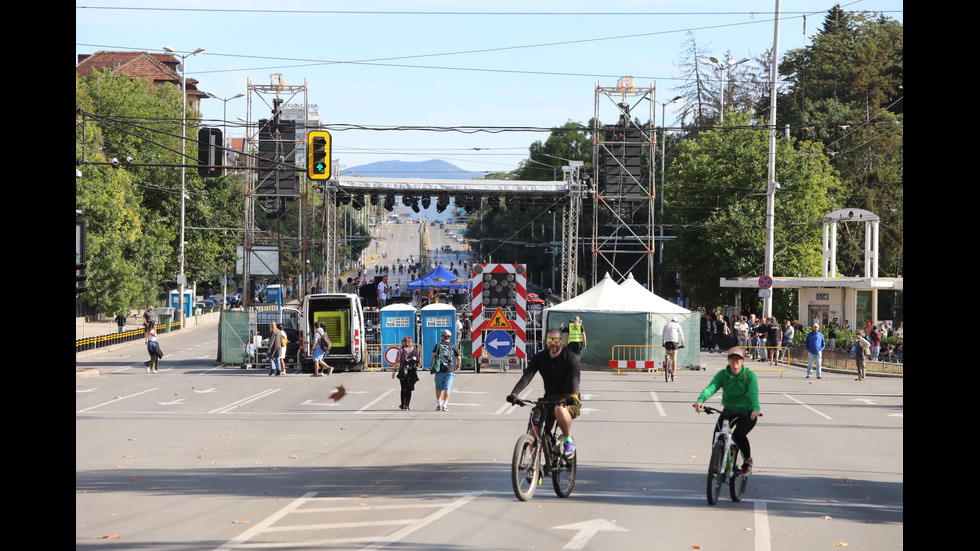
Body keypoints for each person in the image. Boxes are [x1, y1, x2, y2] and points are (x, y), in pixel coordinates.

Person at [506, 328, 582, 458]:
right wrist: (514, 394)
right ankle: (536, 468)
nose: (553, 343)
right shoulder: (540, 357)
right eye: (550, 340)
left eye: (556, 340)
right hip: (548, 399)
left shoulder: (570, 358)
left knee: (559, 409)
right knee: (534, 430)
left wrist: (574, 396)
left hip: (569, 399)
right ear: (546, 342)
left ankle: (568, 441)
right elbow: (527, 377)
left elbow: (575, 379)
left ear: (562, 341)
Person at [693, 347, 761, 475]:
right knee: (718, 434)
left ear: (743, 361)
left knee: (738, 435)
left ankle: (747, 460)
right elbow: (711, 388)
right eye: (732, 358)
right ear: (728, 360)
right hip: (729, 411)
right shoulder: (723, 374)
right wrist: (701, 400)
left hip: (747, 412)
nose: (735, 361)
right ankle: (718, 462)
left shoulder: (749, 376)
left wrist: (756, 408)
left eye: (738, 358)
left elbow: (753, 392)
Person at [431, 329, 461, 411]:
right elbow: (458, 357)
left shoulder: (438, 345)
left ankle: (439, 405)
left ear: (443, 337)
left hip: (439, 369)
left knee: (438, 388)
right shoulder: (453, 346)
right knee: (447, 388)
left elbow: (433, 356)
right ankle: (445, 406)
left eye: (442, 335)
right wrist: (458, 365)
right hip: (450, 370)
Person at [392, 335, 421, 410]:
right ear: (411, 342)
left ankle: (403, 405)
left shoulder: (400, 350)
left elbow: (397, 360)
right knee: (409, 388)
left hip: (402, 370)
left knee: (403, 388)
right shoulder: (415, 350)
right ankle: (407, 406)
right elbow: (418, 361)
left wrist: (394, 370)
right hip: (412, 371)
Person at [661, 316, 686, 382]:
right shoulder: (678, 325)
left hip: (667, 342)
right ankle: (674, 374)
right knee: (674, 357)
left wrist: (663, 342)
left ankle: (666, 361)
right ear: (676, 321)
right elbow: (681, 335)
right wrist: (683, 344)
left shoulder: (666, 325)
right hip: (674, 342)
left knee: (667, 353)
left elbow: (663, 334)